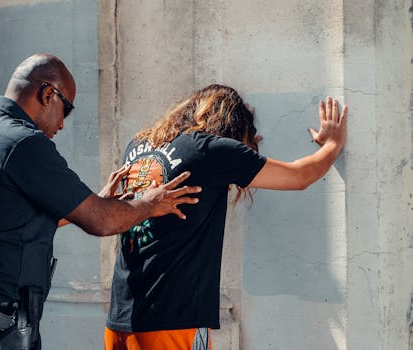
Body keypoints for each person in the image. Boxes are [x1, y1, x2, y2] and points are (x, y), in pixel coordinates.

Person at [0, 54, 201, 350]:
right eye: (65, 110)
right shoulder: (23, 143)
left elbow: (8, 220)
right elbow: (102, 221)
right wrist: (149, 203)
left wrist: (94, 202)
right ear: (47, 94)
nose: (63, 125)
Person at [104, 84, 347, 349]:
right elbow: (301, 176)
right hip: (173, 322)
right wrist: (332, 145)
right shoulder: (213, 151)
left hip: (120, 321)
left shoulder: (138, 145)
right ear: (232, 126)